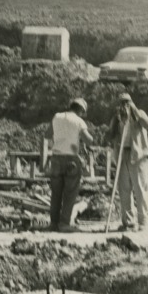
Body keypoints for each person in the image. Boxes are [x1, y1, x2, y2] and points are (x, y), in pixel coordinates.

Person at [106, 92, 148, 231]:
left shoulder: (139, 114)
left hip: (138, 156)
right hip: (122, 155)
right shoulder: (117, 117)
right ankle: (128, 221)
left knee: (140, 188)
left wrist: (135, 112)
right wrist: (116, 121)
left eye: (127, 102)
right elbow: (110, 135)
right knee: (124, 190)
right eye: (122, 103)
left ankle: (144, 221)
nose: (124, 106)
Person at [46, 97, 94, 232]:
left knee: (56, 193)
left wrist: (57, 144)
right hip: (71, 160)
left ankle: (53, 223)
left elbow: (47, 135)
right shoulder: (79, 121)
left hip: (56, 158)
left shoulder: (57, 116)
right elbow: (89, 140)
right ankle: (64, 223)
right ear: (81, 110)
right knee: (70, 193)